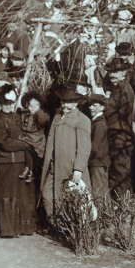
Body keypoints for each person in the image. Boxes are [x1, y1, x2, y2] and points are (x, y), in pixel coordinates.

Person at [0, 82, 36, 237]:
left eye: (10, 103)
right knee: (6, 195)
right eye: (4, 103)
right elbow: (5, 143)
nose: (7, 106)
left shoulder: (19, 118)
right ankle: (6, 228)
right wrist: (26, 144)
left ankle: (22, 228)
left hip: (20, 162)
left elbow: (26, 139)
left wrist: (29, 163)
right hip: (5, 163)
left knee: (21, 196)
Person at [41, 85, 92, 224]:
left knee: (69, 200)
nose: (65, 104)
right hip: (54, 166)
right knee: (47, 194)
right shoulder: (58, 115)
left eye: (69, 102)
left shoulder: (82, 120)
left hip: (69, 168)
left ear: (76, 103)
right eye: (63, 101)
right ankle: (55, 224)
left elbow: (84, 147)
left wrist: (78, 169)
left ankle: (65, 228)